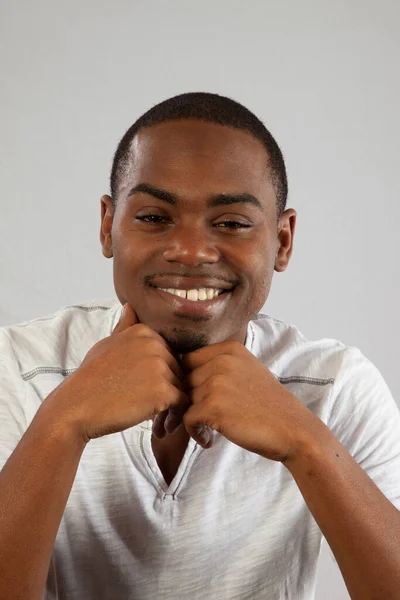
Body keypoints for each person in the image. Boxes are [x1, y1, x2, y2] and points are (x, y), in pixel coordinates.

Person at [0, 92, 399, 600]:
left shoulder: (336, 387)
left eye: (231, 223)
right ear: (108, 226)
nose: (190, 249)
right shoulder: (17, 366)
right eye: (153, 217)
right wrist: (63, 424)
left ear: (283, 240)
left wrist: (306, 443)